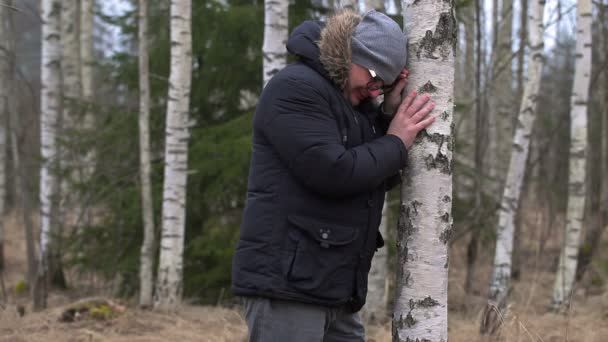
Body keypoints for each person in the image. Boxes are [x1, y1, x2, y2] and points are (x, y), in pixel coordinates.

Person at [232, 9, 435, 341]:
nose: (373, 90)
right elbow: (334, 171)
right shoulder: (296, 88)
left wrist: (386, 115)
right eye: (372, 76)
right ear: (348, 55)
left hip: (331, 287)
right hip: (288, 287)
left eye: (382, 84)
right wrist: (396, 140)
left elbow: (372, 173)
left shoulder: (354, 106)